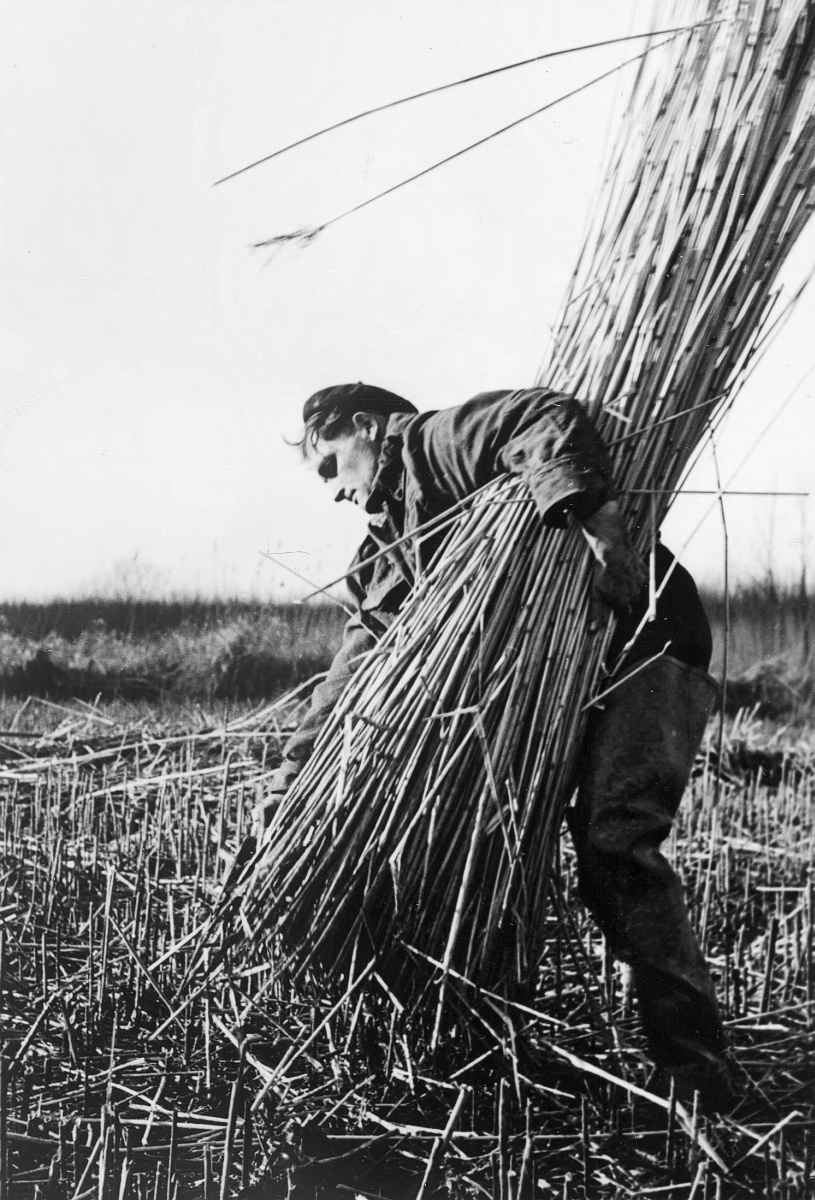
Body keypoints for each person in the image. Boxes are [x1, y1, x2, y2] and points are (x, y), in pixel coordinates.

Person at [258, 380, 733, 1109]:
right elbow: (351, 666)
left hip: (641, 635)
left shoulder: (433, 443)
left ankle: (698, 1075)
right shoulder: (388, 542)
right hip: (552, 672)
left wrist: (603, 527)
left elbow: (543, 415)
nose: (333, 489)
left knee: (615, 841)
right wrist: (289, 782)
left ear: (366, 425)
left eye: (330, 463)